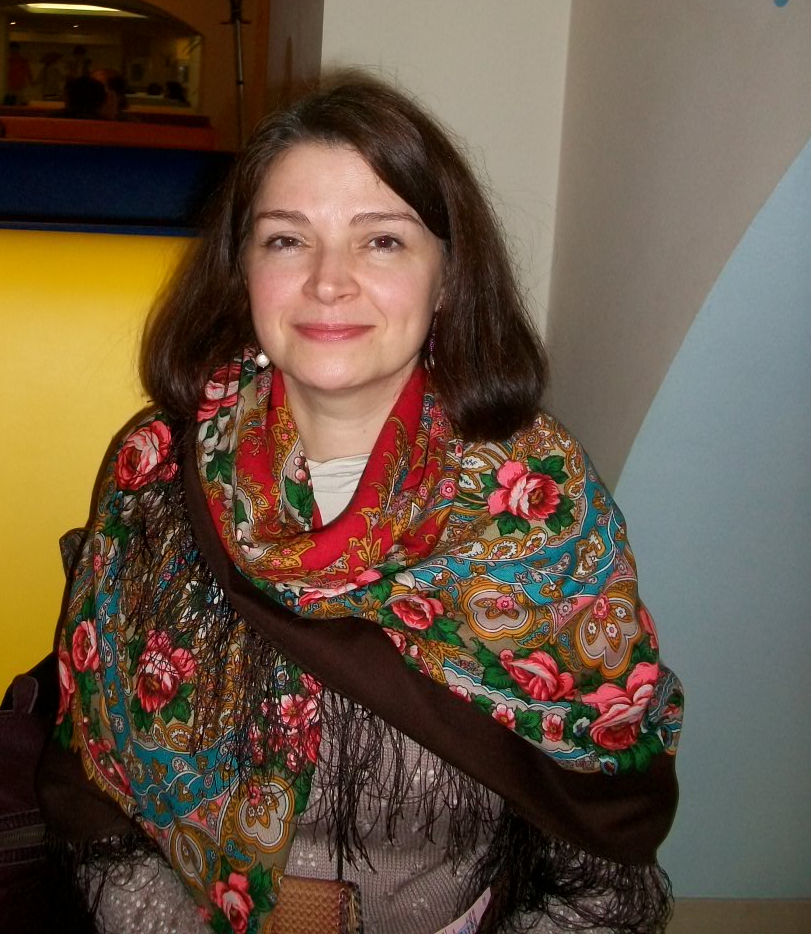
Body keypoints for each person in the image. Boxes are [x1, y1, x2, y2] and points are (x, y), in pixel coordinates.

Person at [43, 72, 683, 934]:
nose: (328, 282)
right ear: (242, 272)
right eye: (286, 240)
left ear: (448, 277)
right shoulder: (153, 476)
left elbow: (603, 853)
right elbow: (98, 802)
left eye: (381, 241)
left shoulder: (538, 507)